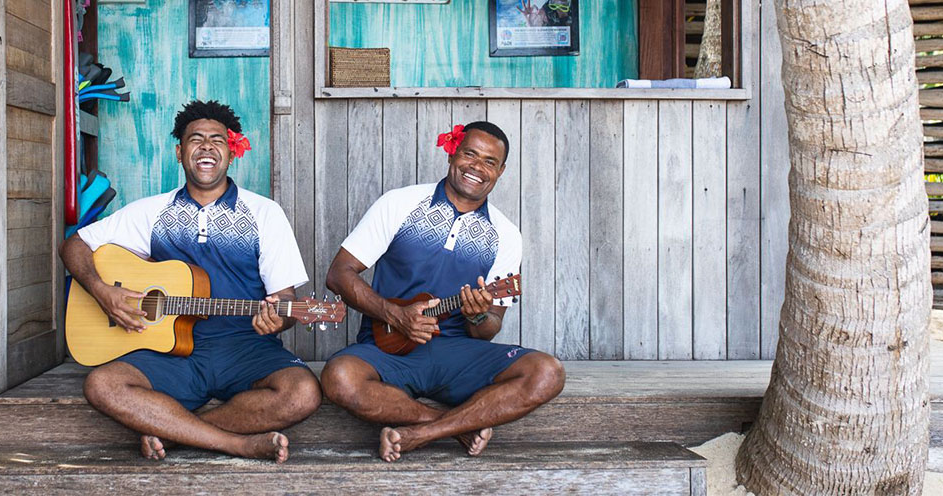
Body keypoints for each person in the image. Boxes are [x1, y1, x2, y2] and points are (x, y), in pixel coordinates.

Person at [60, 100, 319, 464]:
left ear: (231, 152)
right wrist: (102, 291)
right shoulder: (152, 211)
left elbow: (285, 300)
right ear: (180, 152)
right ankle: (236, 444)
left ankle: (178, 431)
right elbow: (75, 244)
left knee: (302, 392)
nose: (207, 147)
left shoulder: (264, 213)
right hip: (168, 352)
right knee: (102, 385)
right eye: (196, 139)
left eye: (217, 140)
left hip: (243, 347)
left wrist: (281, 316)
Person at [321, 121, 565, 462]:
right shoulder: (401, 203)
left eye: (489, 161)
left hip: (456, 355)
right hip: (388, 348)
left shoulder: (506, 235)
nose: (477, 167)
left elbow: (487, 329)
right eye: (470, 154)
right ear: (453, 153)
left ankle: (422, 434)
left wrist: (477, 312)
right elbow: (338, 274)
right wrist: (396, 315)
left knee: (547, 372)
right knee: (339, 377)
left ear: (501, 171)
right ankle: (455, 427)